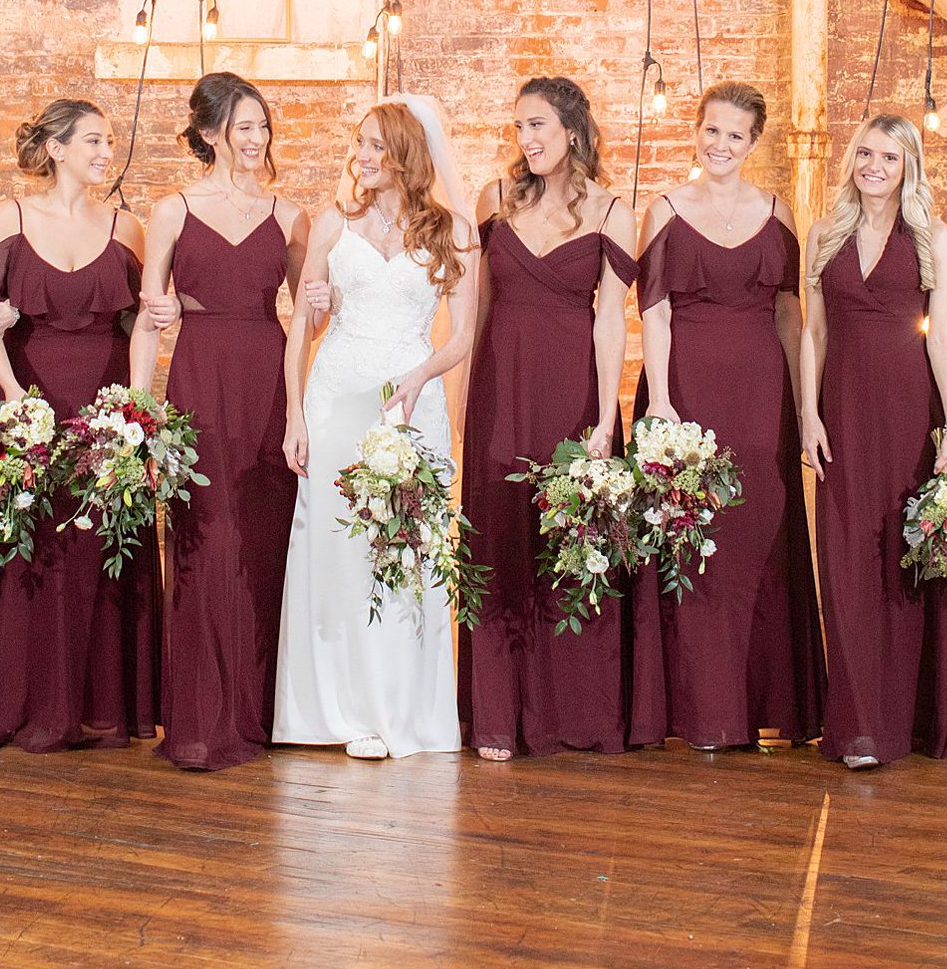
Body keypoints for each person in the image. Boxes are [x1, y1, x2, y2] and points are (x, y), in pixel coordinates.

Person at [273, 95, 478, 760]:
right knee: (334, 551)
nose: (360, 158)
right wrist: (295, 413)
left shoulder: (454, 231)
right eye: (356, 143)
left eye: (373, 146)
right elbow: (304, 322)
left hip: (409, 404)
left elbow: (465, 334)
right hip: (336, 396)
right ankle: (335, 710)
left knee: (404, 553)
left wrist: (420, 378)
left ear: (406, 155)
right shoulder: (336, 221)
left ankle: (400, 707)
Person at [460, 76, 659, 758]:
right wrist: (464, 398)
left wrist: (605, 421)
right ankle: (496, 716)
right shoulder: (495, 201)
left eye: (539, 124)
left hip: (573, 393)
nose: (527, 140)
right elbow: (477, 308)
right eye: (519, 127)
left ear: (572, 129)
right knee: (499, 542)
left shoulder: (612, 210)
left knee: (573, 546)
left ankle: (578, 713)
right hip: (501, 387)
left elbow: (611, 319)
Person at [0, 97, 159, 751]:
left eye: (109, 141)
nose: (106, 153)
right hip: (28, 405)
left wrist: (133, 410)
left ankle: (100, 705)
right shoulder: (9, 219)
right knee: (35, 554)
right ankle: (32, 705)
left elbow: (142, 327)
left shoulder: (127, 227)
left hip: (104, 413)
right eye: (93, 142)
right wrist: (17, 399)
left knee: (99, 553)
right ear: (56, 148)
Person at [636, 82, 824, 749]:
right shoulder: (663, 210)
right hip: (685, 390)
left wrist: (804, 409)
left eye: (734, 136)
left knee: (753, 540)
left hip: (760, 397)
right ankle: (700, 713)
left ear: (753, 142)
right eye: (711, 131)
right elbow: (652, 310)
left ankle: (755, 707)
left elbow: (790, 312)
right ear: (698, 131)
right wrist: (659, 400)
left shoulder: (780, 212)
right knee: (691, 538)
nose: (720, 145)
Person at [132, 73, 307, 770]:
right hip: (199, 380)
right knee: (204, 538)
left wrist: (301, 402)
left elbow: (309, 321)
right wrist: (138, 414)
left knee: (261, 544)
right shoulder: (171, 211)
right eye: (242, 127)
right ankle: (200, 718)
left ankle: (259, 712)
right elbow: (149, 318)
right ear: (210, 135)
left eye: (263, 126)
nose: (256, 139)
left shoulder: (291, 215)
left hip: (266, 378)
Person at [801, 113, 947, 767]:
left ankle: (904, 719)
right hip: (842, 417)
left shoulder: (935, 236)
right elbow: (813, 333)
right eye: (866, 153)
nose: (874, 165)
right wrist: (808, 415)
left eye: (890, 157)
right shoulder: (825, 233)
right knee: (846, 567)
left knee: (901, 568)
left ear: (909, 168)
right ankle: (859, 727)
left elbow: (944, 334)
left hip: (909, 417)